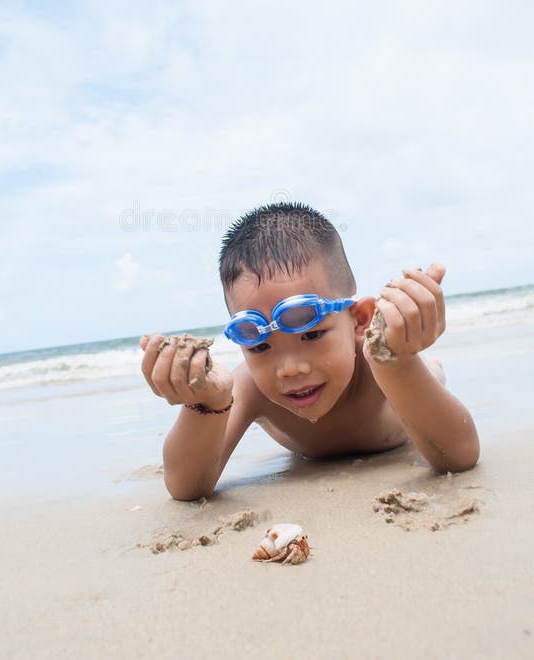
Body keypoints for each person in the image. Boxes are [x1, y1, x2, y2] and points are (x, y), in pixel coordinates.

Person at [140, 202, 480, 501]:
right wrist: (206, 403)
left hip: (403, 391)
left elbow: (460, 454)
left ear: (360, 319)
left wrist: (400, 363)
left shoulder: (382, 361)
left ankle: (430, 365)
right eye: (259, 345)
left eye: (312, 333)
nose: (289, 368)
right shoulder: (247, 389)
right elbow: (186, 486)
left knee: (430, 370)